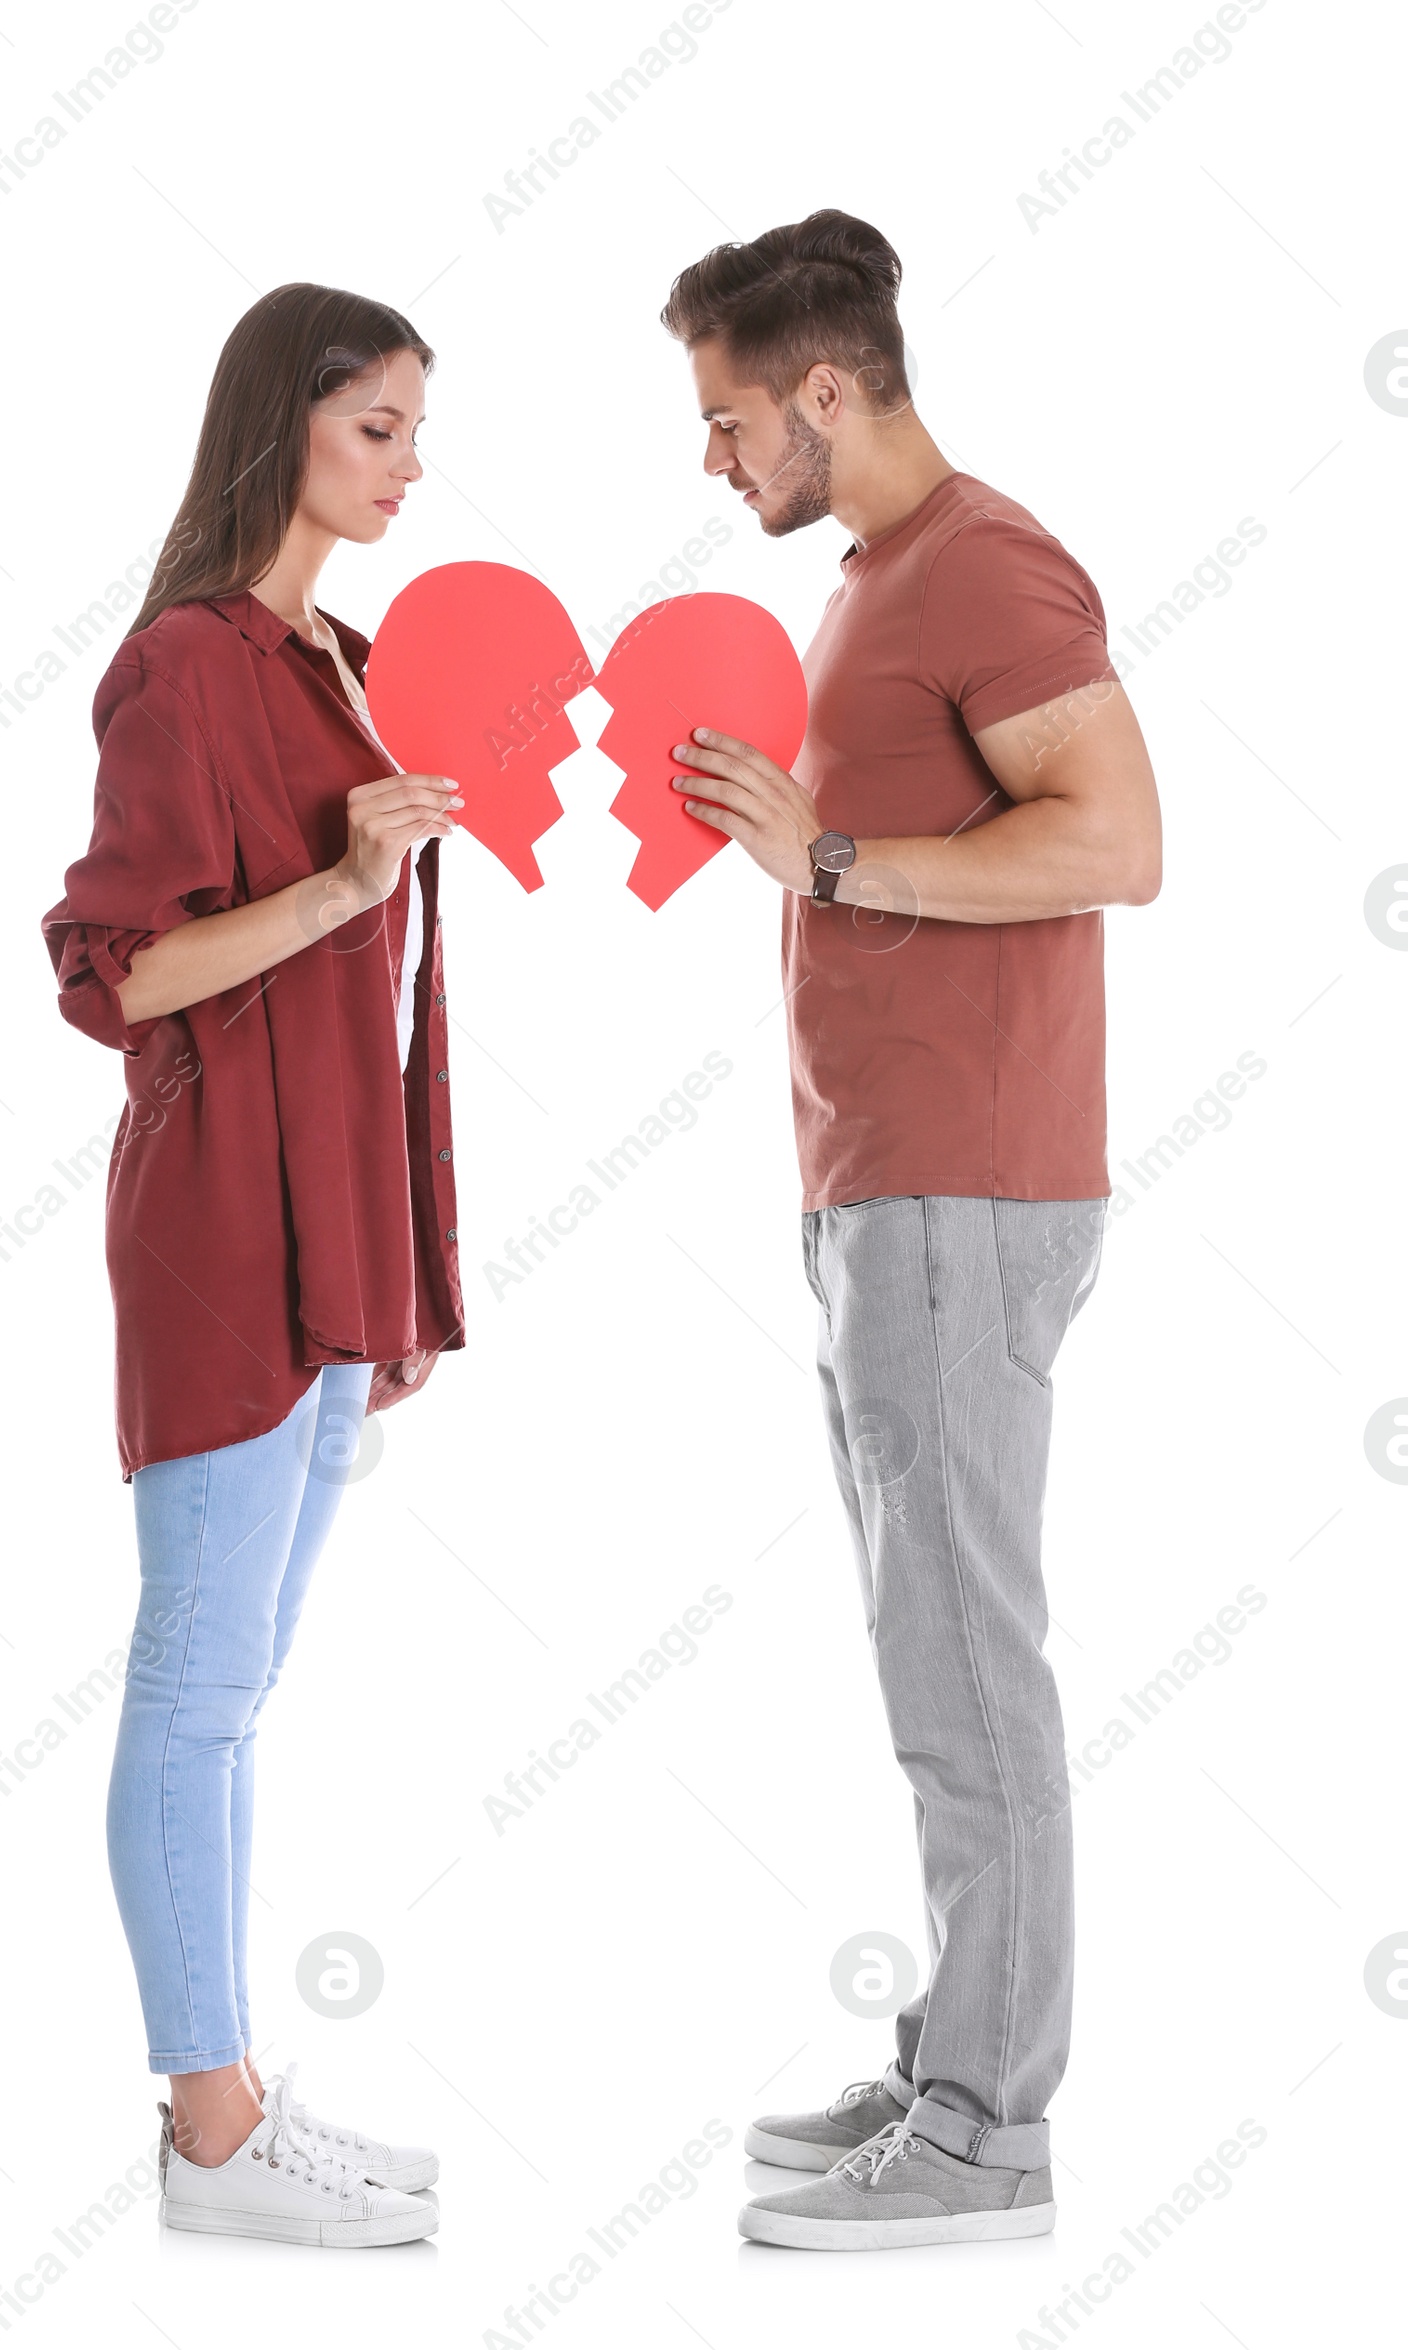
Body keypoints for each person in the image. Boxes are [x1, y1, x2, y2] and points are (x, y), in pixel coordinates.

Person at [658, 212, 1162, 2252]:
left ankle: (984, 2130)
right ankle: (956, 2048)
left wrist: (831, 850)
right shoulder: (877, 583)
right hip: (883, 1189)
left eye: (722, 421)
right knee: (924, 1645)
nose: (712, 461)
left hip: (959, 1190)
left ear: (824, 390)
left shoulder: (987, 563)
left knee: (965, 1658)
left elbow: (1116, 838)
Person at [42, 282, 464, 2249]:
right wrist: (339, 879)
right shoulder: (184, 669)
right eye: (375, 424)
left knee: (242, 1680)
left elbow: (381, 994)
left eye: (411, 427)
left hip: (330, 1233)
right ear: (280, 426)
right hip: (221, 1237)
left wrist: (400, 1256)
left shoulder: (345, 662)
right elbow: (120, 973)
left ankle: (231, 2103)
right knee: (198, 1682)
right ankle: (211, 2127)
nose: (406, 461)